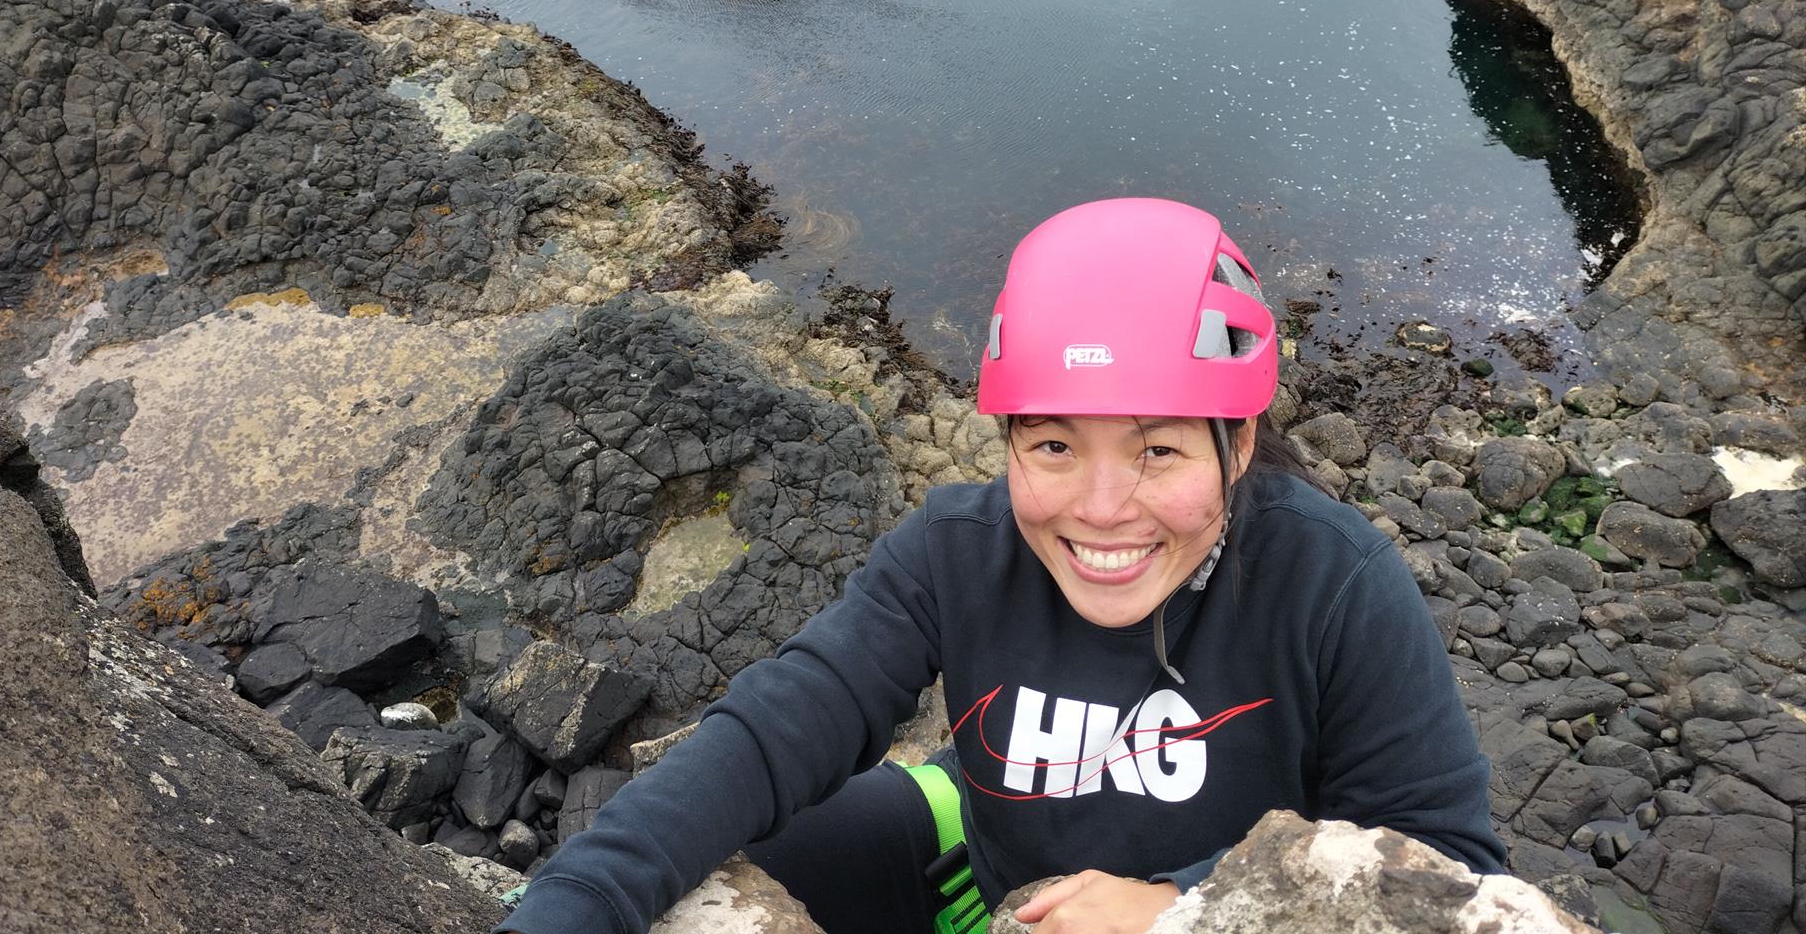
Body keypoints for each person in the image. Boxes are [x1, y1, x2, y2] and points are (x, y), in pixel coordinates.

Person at [495, 197, 1506, 934]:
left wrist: (1188, 907)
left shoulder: (1333, 584)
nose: (1102, 513)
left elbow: (1444, 862)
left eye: (1158, 450)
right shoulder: (957, 550)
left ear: (1236, 447)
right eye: (1053, 446)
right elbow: (777, 727)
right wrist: (581, 901)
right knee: (709, 849)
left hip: (1209, 912)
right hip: (984, 874)